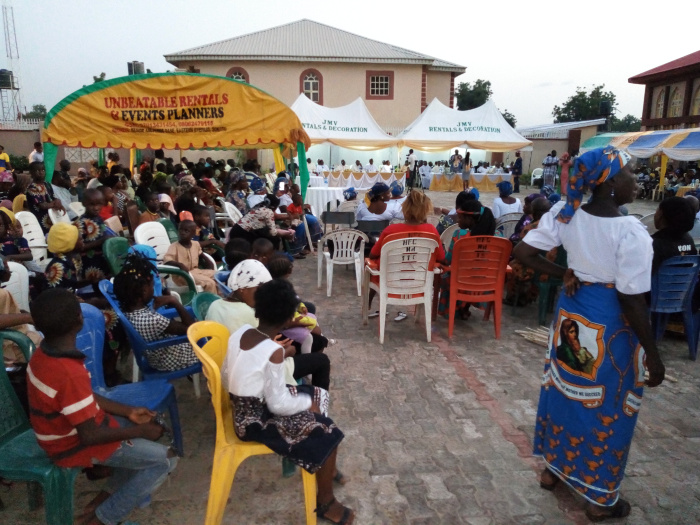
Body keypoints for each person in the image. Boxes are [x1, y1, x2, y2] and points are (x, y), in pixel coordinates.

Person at [513, 147, 665, 521]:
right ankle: (600, 500)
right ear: (611, 183)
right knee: (609, 404)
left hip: (573, 312)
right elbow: (632, 299)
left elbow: (522, 251)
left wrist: (563, 273)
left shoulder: (566, 215)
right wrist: (654, 353)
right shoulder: (631, 232)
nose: (635, 180)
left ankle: (554, 469)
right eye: (629, 173)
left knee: (565, 389)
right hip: (611, 322)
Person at [25, 288, 178, 525]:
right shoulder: (68, 371)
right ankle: (101, 519)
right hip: (71, 444)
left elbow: (86, 398)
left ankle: (98, 505)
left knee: (140, 445)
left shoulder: (44, 354)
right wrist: (138, 431)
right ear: (79, 319)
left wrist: (128, 411)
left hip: (61, 434)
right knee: (165, 459)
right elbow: (90, 436)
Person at [221, 278, 354, 524]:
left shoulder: (241, 333)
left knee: (316, 402)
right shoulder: (271, 351)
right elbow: (278, 405)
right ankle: (326, 503)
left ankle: (325, 464)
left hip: (241, 406)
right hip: (253, 421)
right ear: (286, 320)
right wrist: (305, 404)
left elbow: (227, 375)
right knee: (329, 430)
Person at [366, 191, 444, 321]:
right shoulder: (431, 231)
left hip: (391, 281)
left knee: (375, 265)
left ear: (405, 209)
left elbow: (373, 254)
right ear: (425, 210)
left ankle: (368, 302)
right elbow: (441, 259)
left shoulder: (390, 231)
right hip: (419, 281)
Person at [114, 252, 199, 371]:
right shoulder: (151, 320)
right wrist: (174, 302)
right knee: (216, 341)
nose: (154, 290)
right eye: (152, 286)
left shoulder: (128, 311)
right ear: (144, 291)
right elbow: (192, 331)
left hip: (157, 356)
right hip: (173, 359)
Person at [437, 198, 497, 318]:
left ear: (469, 219)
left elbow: (447, 261)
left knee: (443, 274)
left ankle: (455, 309)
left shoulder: (460, 235)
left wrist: (438, 258)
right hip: (487, 285)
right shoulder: (498, 238)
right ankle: (463, 308)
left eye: (460, 217)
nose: (458, 220)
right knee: (472, 271)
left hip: (461, 284)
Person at [163, 220, 219, 294]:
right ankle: (211, 302)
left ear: (193, 234)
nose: (182, 232)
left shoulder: (195, 244)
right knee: (209, 283)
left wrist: (209, 264)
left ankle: (219, 297)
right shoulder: (174, 246)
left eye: (186, 231)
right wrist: (180, 265)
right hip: (182, 275)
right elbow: (167, 261)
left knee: (218, 275)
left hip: (196, 271)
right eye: (180, 230)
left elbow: (201, 255)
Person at [74, 188, 114, 282]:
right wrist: (100, 242)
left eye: (99, 204)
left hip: (102, 261)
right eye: (92, 204)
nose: (96, 208)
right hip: (89, 263)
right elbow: (77, 247)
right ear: (84, 203)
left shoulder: (98, 218)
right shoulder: (80, 223)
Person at [651, 196, 697, 274]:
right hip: (684, 285)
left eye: (657, 210)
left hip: (656, 285)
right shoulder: (689, 240)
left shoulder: (652, 244)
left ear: (661, 214)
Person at [26, 161, 63, 234]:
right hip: (40, 220)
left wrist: (57, 200)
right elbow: (42, 205)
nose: (41, 172)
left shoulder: (47, 184)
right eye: (37, 170)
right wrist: (55, 204)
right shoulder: (32, 188)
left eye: (43, 170)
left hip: (52, 218)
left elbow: (53, 197)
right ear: (31, 173)